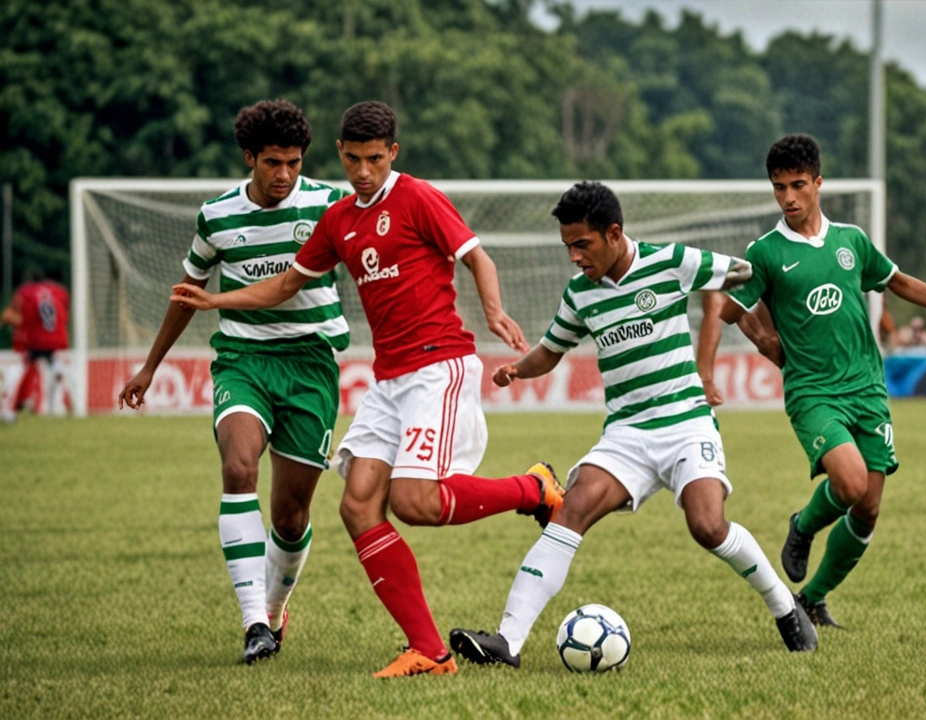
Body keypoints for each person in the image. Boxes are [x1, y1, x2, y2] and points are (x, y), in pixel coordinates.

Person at [169, 101, 563, 678]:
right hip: (389, 380)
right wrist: (215, 300)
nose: (362, 172)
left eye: (374, 159)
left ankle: (533, 489)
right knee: (356, 506)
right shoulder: (339, 219)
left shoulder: (418, 197)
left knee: (412, 502)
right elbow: (283, 284)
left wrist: (495, 312)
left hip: (438, 365)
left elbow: (477, 257)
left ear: (392, 154)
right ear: (339, 154)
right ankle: (428, 651)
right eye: (352, 159)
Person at [447, 181, 819, 668]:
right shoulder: (580, 294)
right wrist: (519, 368)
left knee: (707, 526)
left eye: (583, 244)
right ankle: (507, 642)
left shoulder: (670, 262)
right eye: (568, 247)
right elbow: (551, 350)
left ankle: (784, 607)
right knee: (572, 507)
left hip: (687, 423)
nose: (575, 257)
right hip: (628, 433)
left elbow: (743, 273)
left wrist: (771, 305)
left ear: (615, 233)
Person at [702, 134, 926, 629]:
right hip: (813, 391)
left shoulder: (852, 241)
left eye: (798, 185)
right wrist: (754, 347)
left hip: (867, 388)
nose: (789, 198)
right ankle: (801, 526)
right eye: (779, 188)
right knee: (849, 482)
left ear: (819, 183)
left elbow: (899, 281)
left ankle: (813, 599)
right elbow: (725, 307)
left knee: (867, 509)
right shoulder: (765, 252)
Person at [117, 100, 350, 664]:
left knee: (291, 517)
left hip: (312, 364)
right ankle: (253, 625)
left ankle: (273, 609)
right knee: (238, 466)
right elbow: (187, 292)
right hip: (243, 359)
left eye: (294, 162)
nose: (284, 175)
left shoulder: (331, 204)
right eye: (272, 162)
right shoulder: (216, 216)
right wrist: (150, 366)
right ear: (249, 157)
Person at [2, 267, 70, 421]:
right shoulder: (59, 290)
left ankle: (10, 409)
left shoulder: (25, 292)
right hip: (57, 338)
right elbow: (64, 311)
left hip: (35, 339)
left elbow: (18, 317)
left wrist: (7, 319)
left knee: (22, 371)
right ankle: (60, 407)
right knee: (56, 370)